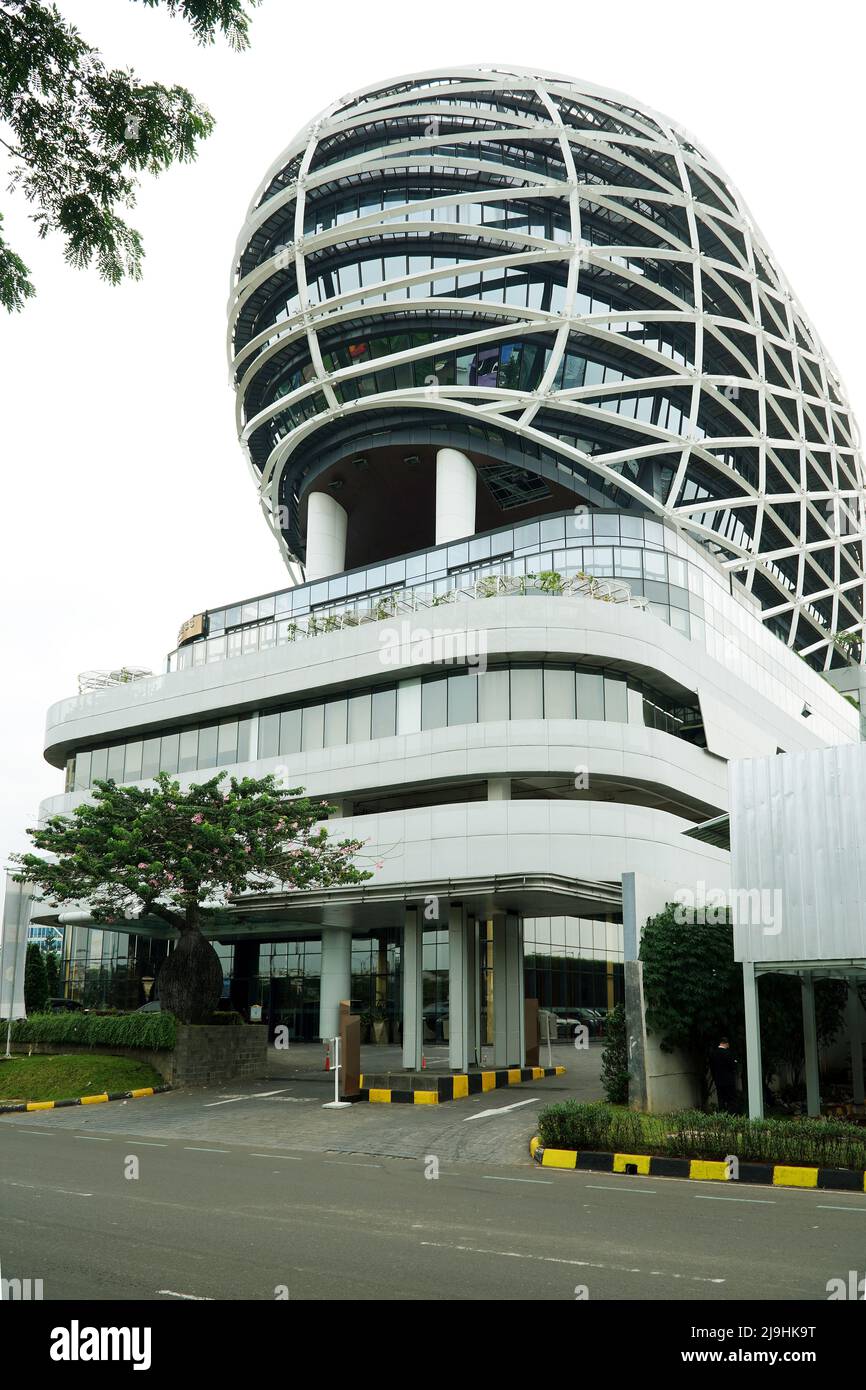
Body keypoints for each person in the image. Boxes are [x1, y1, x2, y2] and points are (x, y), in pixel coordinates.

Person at [709, 1037, 739, 1113]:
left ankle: (722, 1116)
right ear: (726, 1043)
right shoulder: (728, 1053)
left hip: (718, 1081)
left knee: (721, 1100)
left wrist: (715, 1079)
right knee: (732, 1100)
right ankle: (732, 1116)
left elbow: (712, 1069)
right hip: (729, 1082)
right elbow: (734, 1066)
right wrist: (735, 1062)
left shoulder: (713, 1054)